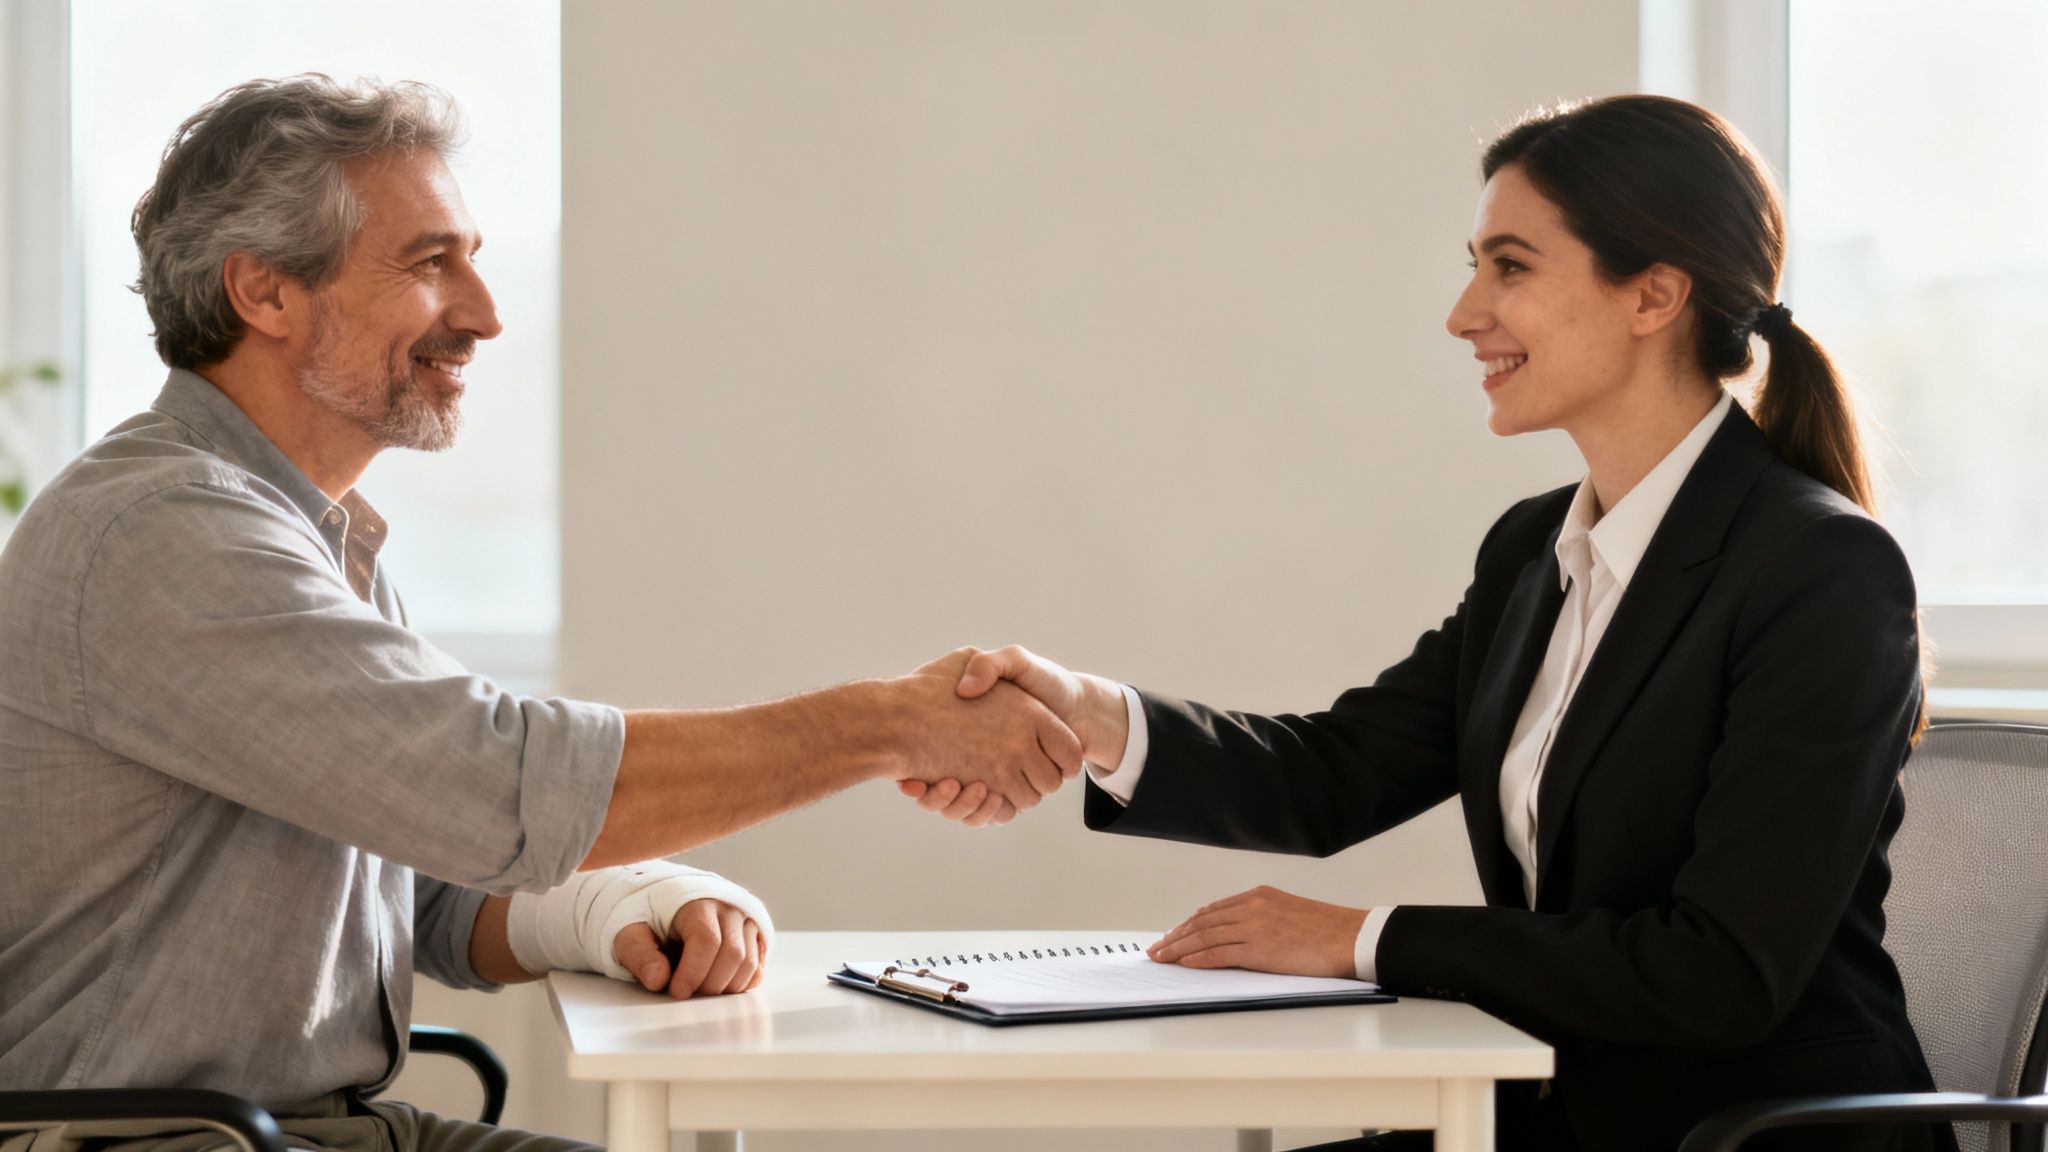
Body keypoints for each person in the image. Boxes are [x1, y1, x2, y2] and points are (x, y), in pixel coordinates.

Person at [0, 75, 1076, 1152]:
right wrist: (892, 723)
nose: (484, 313)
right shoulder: (164, 534)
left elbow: (427, 890)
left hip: (309, 1131)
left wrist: (620, 910)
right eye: (431, 263)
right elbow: (489, 791)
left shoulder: (309, 536)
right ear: (265, 293)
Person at [909, 95, 1951, 1152]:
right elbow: (1336, 773)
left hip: (1748, 1135)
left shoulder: (1820, 572)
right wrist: (1091, 715)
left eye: (1508, 267)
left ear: (1653, 294)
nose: (1462, 313)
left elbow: (1717, 972)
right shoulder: (1531, 551)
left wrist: (1363, 940)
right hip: (1570, 1111)